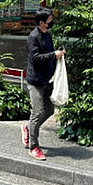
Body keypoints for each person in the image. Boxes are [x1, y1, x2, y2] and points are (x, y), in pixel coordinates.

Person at [21, 11, 64, 161]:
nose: (51, 22)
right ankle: (34, 147)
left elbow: (49, 54)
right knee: (38, 112)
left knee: (50, 110)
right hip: (35, 81)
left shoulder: (48, 35)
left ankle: (28, 128)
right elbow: (35, 58)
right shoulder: (33, 37)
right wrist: (54, 55)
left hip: (47, 80)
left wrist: (58, 55)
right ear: (41, 23)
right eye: (49, 20)